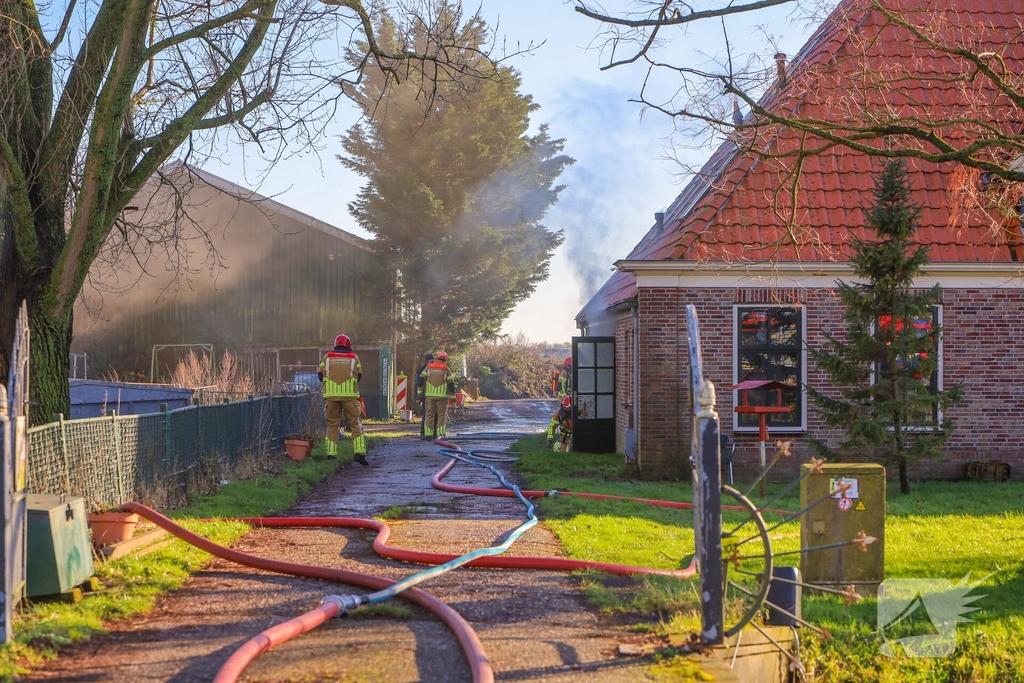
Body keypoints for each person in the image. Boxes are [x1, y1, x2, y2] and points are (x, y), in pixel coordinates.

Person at [318, 334, 368, 466]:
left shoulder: (327, 357)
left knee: (332, 425)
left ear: (335, 344)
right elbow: (359, 376)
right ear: (348, 345)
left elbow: (320, 376)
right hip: (349, 397)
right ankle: (359, 453)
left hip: (331, 397)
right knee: (355, 423)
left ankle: (331, 455)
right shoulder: (354, 357)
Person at [420, 351, 455, 440]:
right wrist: (453, 398)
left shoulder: (428, 367)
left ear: (437, 358)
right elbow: (451, 385)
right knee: (441, 415)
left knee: (429, 415)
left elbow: (420, 381)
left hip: (429, 396)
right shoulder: (446, 369)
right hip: (442, 397)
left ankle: (428, 435)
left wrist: (419, 394)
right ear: (445, 359)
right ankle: (441, 434)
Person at [415, 353, 434, 436]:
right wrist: (418, 398)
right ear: (426, 362)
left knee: (431, 414)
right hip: (425, 396)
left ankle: (432, 432)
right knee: (426, 414)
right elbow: (418, 384)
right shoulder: (421, 371)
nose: (433, 363)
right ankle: (423, 432)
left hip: (432, 396)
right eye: (431, 361)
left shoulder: (432, 370)